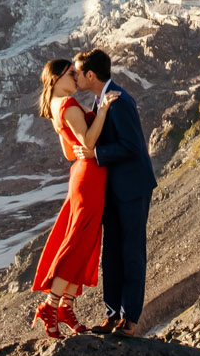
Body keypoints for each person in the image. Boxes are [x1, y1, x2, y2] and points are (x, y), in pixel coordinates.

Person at [74, 47, 153, 337]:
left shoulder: (119, 101)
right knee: (112, 253)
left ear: (91, 75)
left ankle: (129, 320)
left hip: (132, 188)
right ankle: (112, 314)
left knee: (131, 251)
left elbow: (133, 146)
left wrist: (96, 154)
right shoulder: (101, 101)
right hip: (115, 190)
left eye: (78, 72)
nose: (75, 76)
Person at [28, 57, 106, 338]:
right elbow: (87, 143)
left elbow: (69, 152)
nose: (76, 77)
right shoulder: (69, 105)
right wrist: (103, 112)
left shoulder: (55, 107)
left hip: (81, 174)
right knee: (78, 242)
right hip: (90, 176)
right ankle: (51, 305)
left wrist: (84, 148)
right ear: (57, 78)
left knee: (82, 241)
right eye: (71, 74)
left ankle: (65, 307)